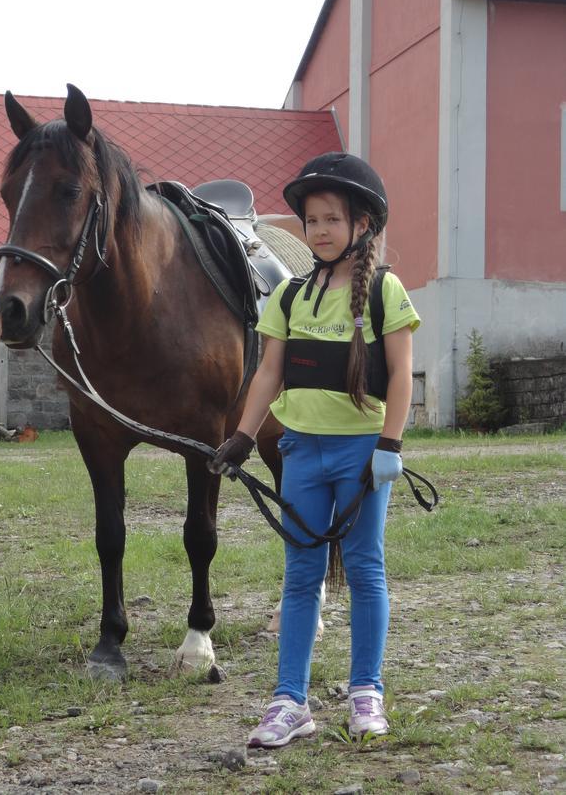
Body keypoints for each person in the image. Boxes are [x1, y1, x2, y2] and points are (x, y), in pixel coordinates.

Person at [208, 152, 420, 748]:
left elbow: (402, 374)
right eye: (312, 221)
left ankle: (365, 694)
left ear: (363, 226)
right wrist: (244, 437)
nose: (320, 230)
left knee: (365, 570)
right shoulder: (290, 296)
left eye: (332, 219)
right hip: (301, 452)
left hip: (361, 456)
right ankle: (289, 701)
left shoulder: (385, 291)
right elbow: (269, 374)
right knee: (300, 576)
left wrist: (389, 445)